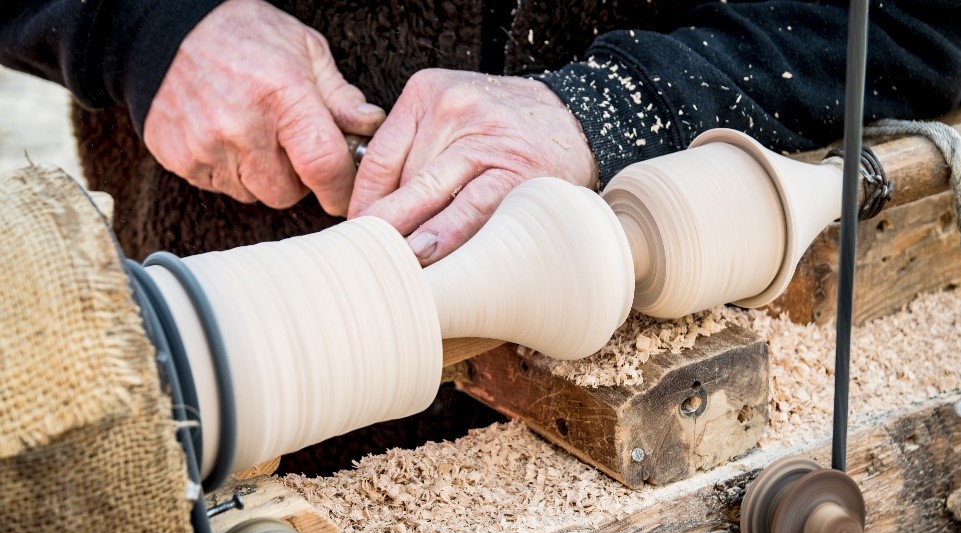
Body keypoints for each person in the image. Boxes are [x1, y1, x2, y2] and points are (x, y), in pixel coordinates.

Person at [2, 0, 959, 265]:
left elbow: (926, 20)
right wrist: (138, 28)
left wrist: (615, 102)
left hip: (642, 311)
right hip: (229, 294)